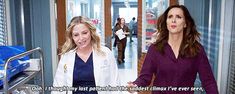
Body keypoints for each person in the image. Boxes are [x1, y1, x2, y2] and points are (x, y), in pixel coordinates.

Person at [127, 5, 218, 94]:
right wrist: (135, 85)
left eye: (178, 17)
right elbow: (145, 77)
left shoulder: (196, 49)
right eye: (170, 17)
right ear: (166, 22)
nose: (173, 20)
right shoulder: (154, 49)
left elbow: (208, 81)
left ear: (185, 23)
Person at [52, 16, 119, 94]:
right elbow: (58, 86)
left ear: (91, 32)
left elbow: (115, 83)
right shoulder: (66, 57)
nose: (81, 38)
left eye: (84, 33)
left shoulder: (105, 53)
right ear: (72, 37)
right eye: (76, 35)